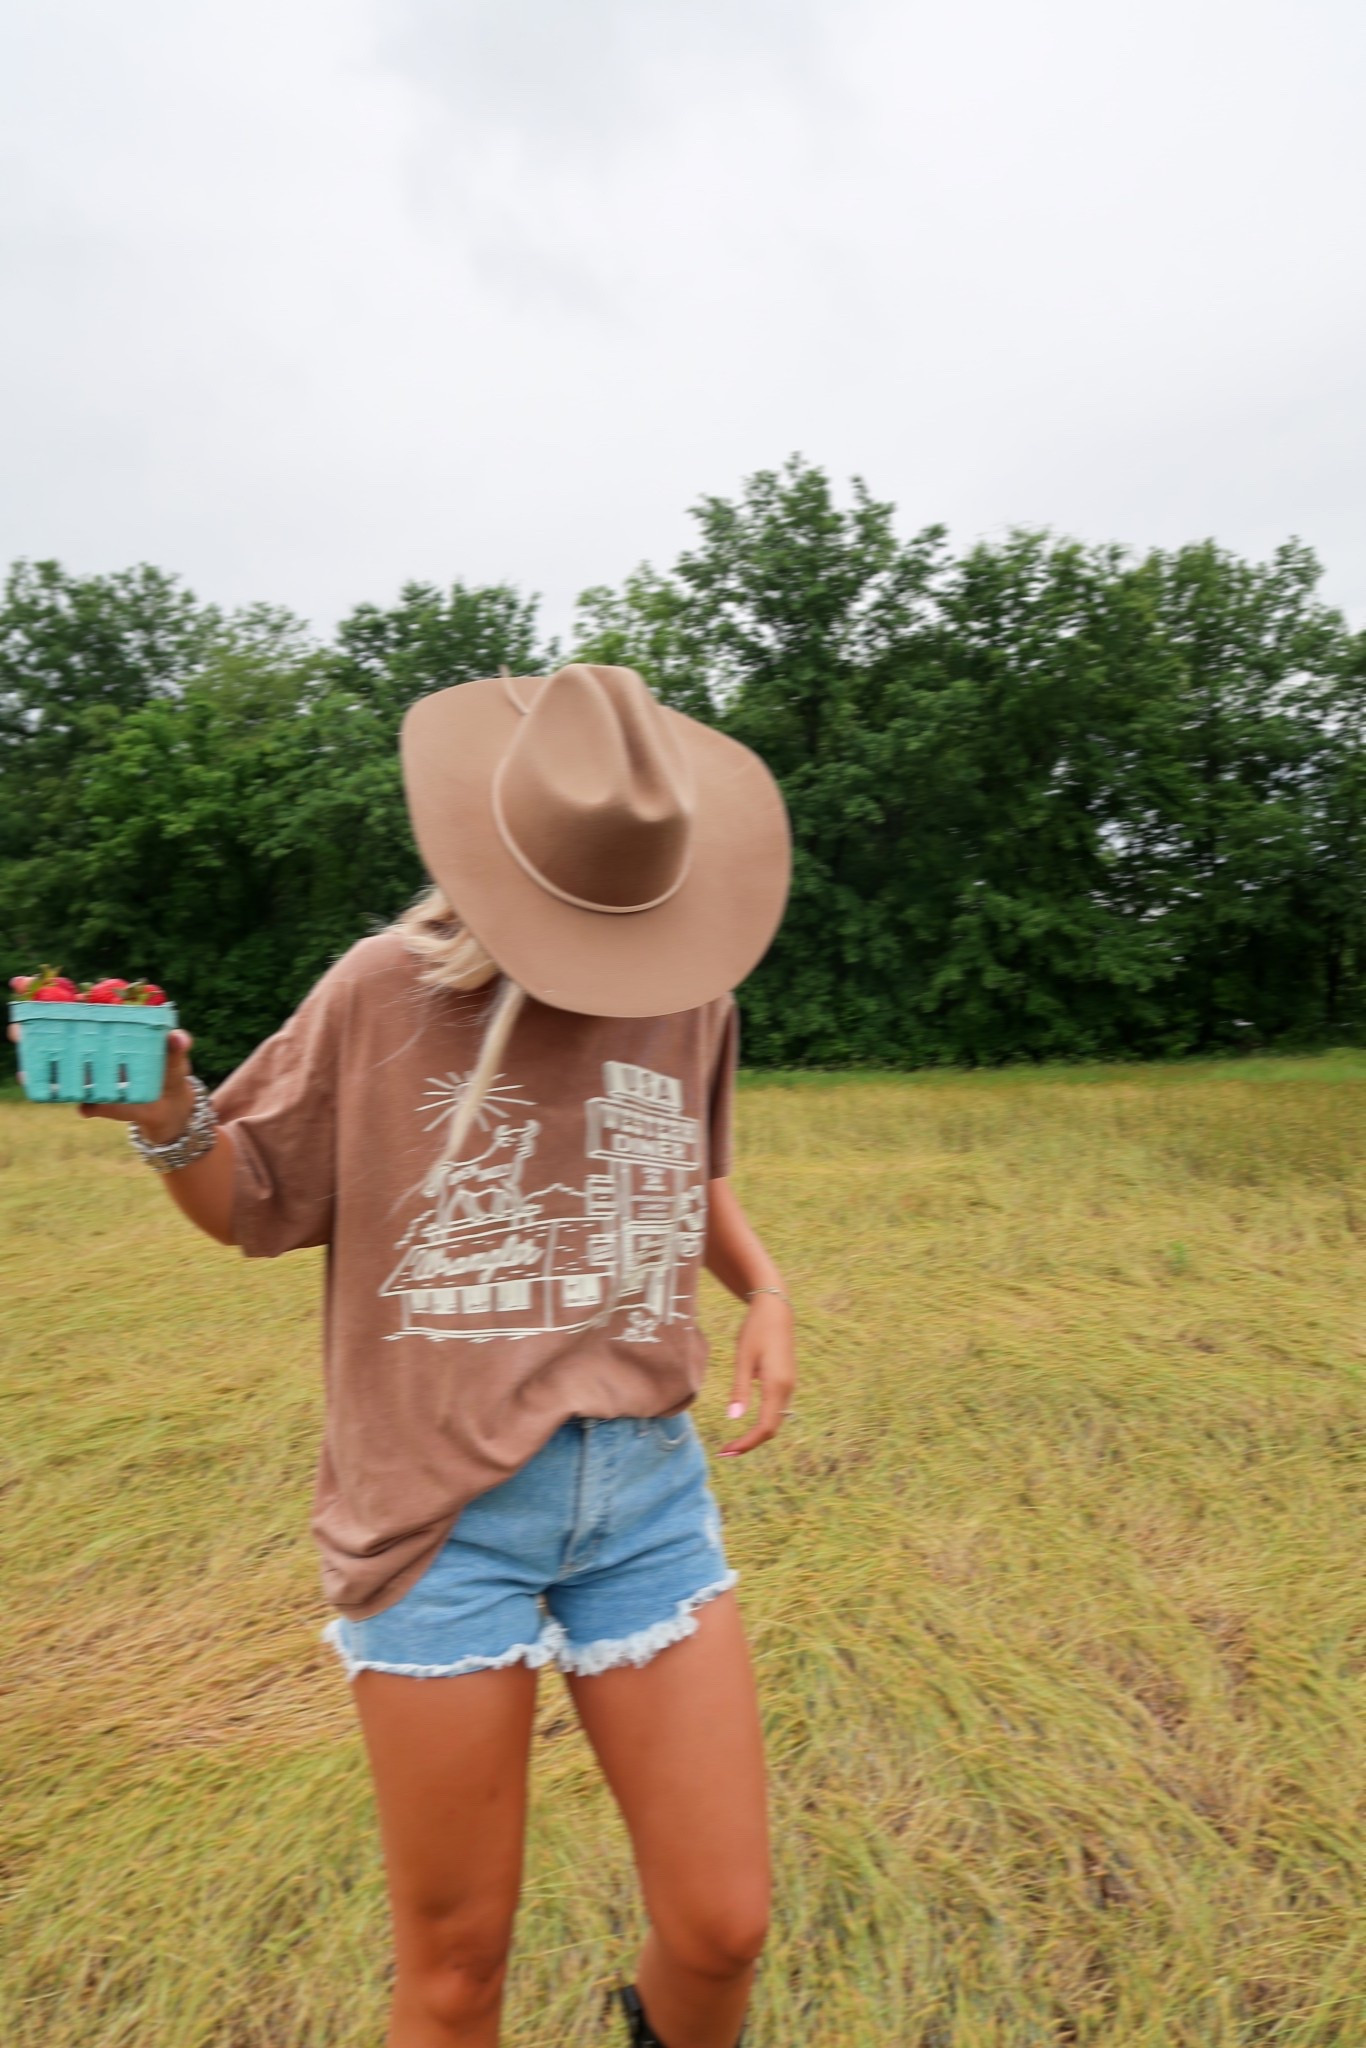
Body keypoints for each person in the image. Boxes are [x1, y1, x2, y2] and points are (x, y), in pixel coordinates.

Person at [12, 664, 796, 2048]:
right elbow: (249, 1196)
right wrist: (169, 1115)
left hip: (646, 1499)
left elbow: (685, 1168)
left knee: (724, 1924)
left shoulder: (691, 990)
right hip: (439, 1519)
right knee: (453, 1967)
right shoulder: (382, 992)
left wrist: (763, 1283)